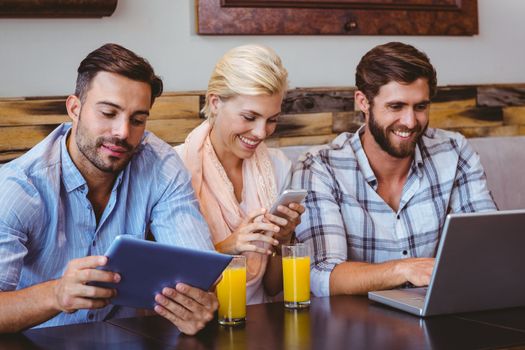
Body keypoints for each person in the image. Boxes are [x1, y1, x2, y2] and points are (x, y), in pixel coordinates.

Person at [0, 43, 218, 334]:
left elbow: (197, 273)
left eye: (138, 120)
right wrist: (55, 295)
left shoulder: (161, 165)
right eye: (108, 113)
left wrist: (196, 305)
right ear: (74, 109)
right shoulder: (19, 187)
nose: (123, 133)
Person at [292, 42, 497, 297]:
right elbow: (321, 275)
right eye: (396, 106)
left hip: (438, 317)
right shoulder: (320, 167)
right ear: (363, 102)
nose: (411, 122)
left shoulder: (454, 151)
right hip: (356, 326)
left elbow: (490, 246)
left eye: (420, 107)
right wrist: (403, 270)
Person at [175, 44, 304, 304]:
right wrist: (229, 247)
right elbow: (171, 279)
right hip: (198, 318)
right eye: (249, 117)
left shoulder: (279, 167)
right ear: (215, 103)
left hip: (262, 322)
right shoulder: (175, 168)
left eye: (271, 120)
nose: (261, 132)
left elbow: (273, 288)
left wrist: (283, 237)